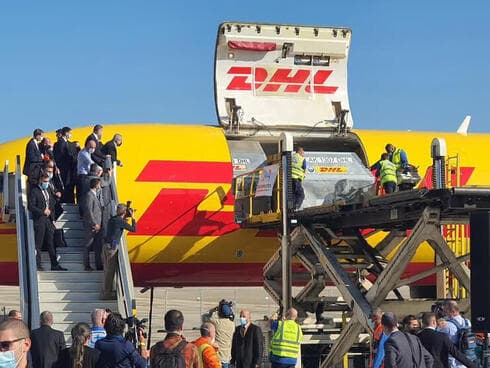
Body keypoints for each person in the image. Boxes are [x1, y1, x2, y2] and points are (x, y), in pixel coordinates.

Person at [28, 174, 67, 271]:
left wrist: (53, 218)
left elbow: (52, 204)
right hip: (40, 221)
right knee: (39, 244)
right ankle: (37, 264)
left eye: (47, 182)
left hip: (49, 220)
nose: (46, 183)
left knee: (51, 243)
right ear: (40, 181)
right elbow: (31, 206)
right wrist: (42, 212)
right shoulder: (34, 191)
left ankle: (54, 264)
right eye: (44, 181)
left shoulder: (48, 190)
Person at [102, 203, 136, 299]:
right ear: (124, 212)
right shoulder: (120, 221)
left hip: (106, 246)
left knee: (106, 270)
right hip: (112, 248)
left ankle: (105, 291)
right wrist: (133, 218)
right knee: (110, 271)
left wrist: (124, 218)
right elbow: (133, 229)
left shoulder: (113, 219)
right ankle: (107, 294)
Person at [438, 300, 473, 368]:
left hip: (453, 362)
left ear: (450, 311)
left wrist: (438, 326)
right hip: (467, 360)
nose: (444, 314)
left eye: (445, 311)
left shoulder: (446, 325)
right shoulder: (467, 322)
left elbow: (437, 339)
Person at [82, 178, 104, 271]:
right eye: (99, 184)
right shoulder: (89, 195)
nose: (100, 186)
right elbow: (89, 211)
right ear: (96, 185)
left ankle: (98, 265)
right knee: (88, 245)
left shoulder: (95, 195)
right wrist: (94, 223)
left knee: (98, 246)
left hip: (98, 225)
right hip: (92, 225)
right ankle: (87, 265)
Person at [54, 126, 76, 203]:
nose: (71, 135)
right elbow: (59, 157)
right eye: (70, 133)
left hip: (68, 170)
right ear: (66, 133)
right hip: (64, 170)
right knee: (64, 186)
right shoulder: (59, 143)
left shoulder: (69, 144)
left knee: (69, 187)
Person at [210, 300, 235, 368]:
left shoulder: (216, 322)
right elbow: (231, 317)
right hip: (226, 357)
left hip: (217, 356)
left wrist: (215, 309)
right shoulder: (232, 324)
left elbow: (208, 316)